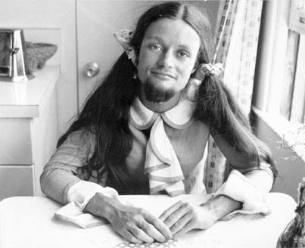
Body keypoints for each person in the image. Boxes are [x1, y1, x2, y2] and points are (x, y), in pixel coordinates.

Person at [40, 1, 277, 244]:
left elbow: (260, 170)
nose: (166, 62)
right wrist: (112, 209)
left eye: (182, 53)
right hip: (117, 230)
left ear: (195, 65)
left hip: (190, 232)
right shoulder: (112, 103)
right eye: (155, 46)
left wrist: (211, 210)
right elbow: (53, 174)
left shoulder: (208, 103)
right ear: (136, 53)